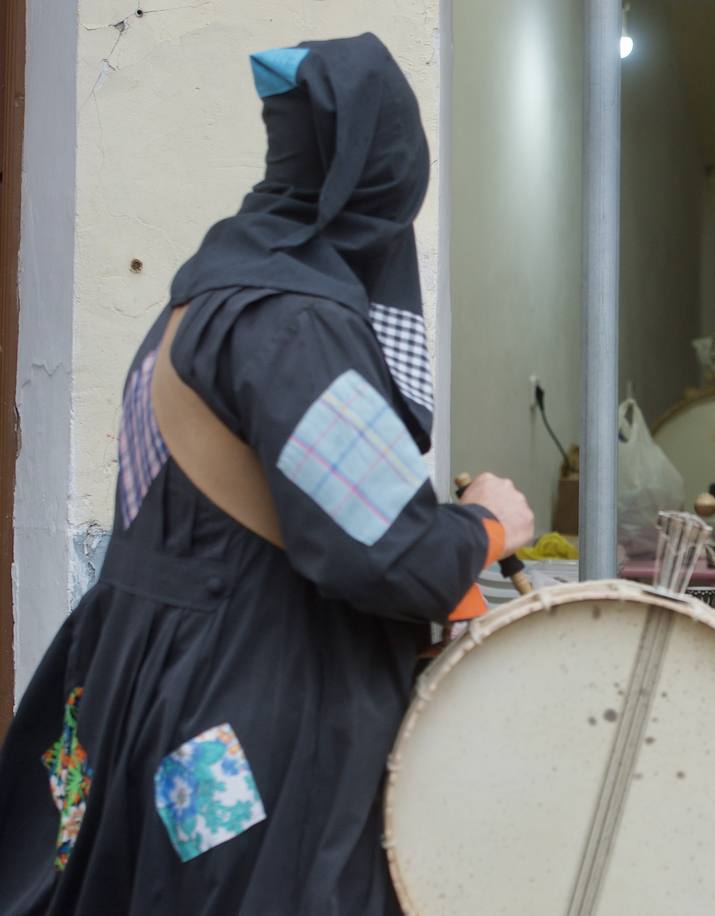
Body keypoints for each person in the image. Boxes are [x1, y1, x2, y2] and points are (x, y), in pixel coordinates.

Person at [0, 34, 533, 915]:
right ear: (382, 176)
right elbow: (381, 551)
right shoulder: (295, 325)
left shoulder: (203, 297)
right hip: (247, 712)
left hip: (151, 693)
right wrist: (483, 525)